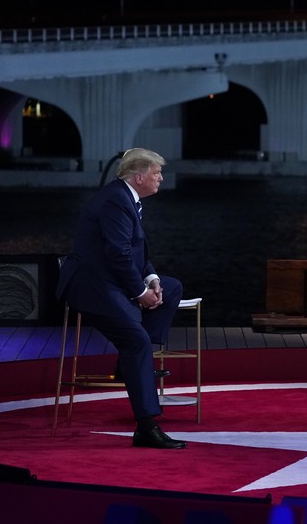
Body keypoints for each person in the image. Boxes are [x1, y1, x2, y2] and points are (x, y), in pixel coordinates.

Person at [57, 148, 187, 449]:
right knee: (136, 341)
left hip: (112, 279)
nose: (161, 179)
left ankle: (130, 364)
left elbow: (136, 253)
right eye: (157, 174)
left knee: (172, 288)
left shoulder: (127, 198)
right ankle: (146, 428)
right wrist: (140, 293)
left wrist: (152, 280)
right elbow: (119, 255)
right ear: (138, 176)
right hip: (92, 285)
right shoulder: (116, 200)